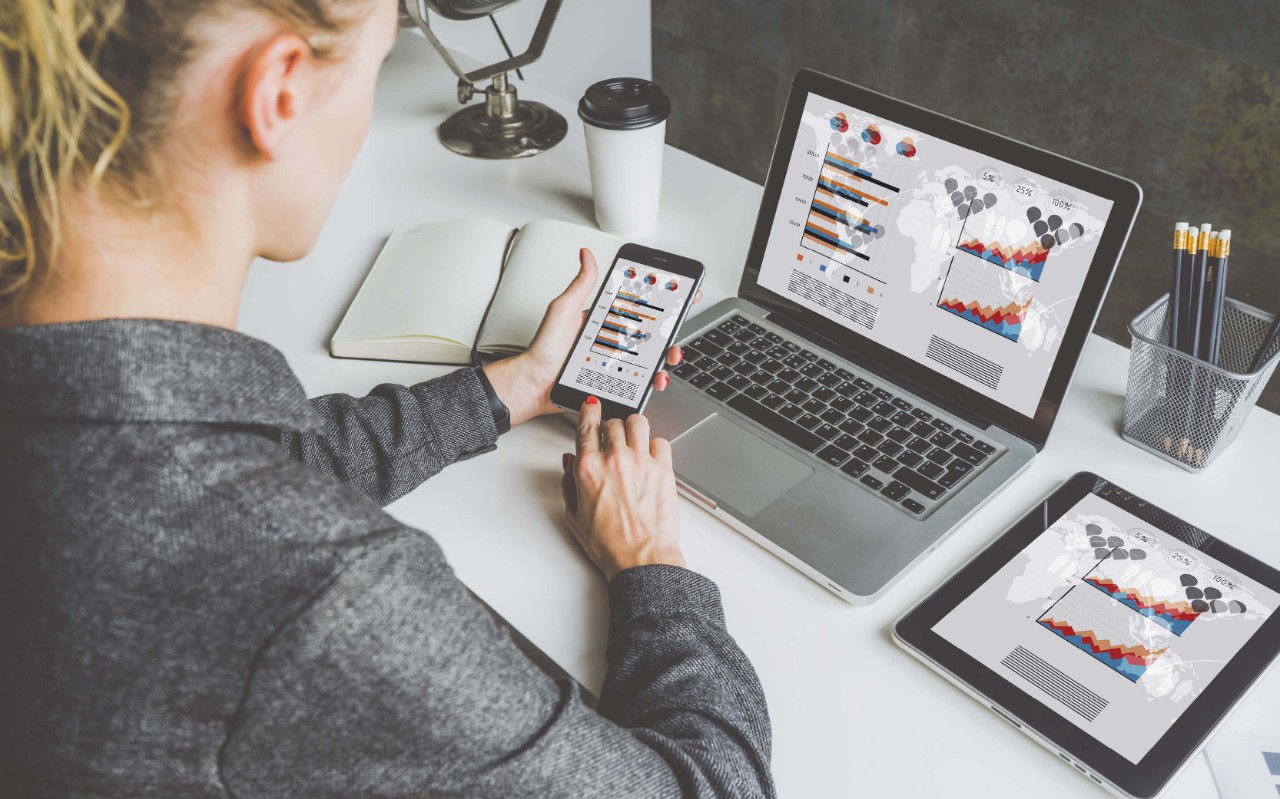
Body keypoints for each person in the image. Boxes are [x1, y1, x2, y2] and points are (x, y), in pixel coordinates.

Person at [0, 1, 774, 797]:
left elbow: (227, 465)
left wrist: (512, 385)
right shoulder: (320, 588)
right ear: (278, 92)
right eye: (377, 66)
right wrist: (651, 563)